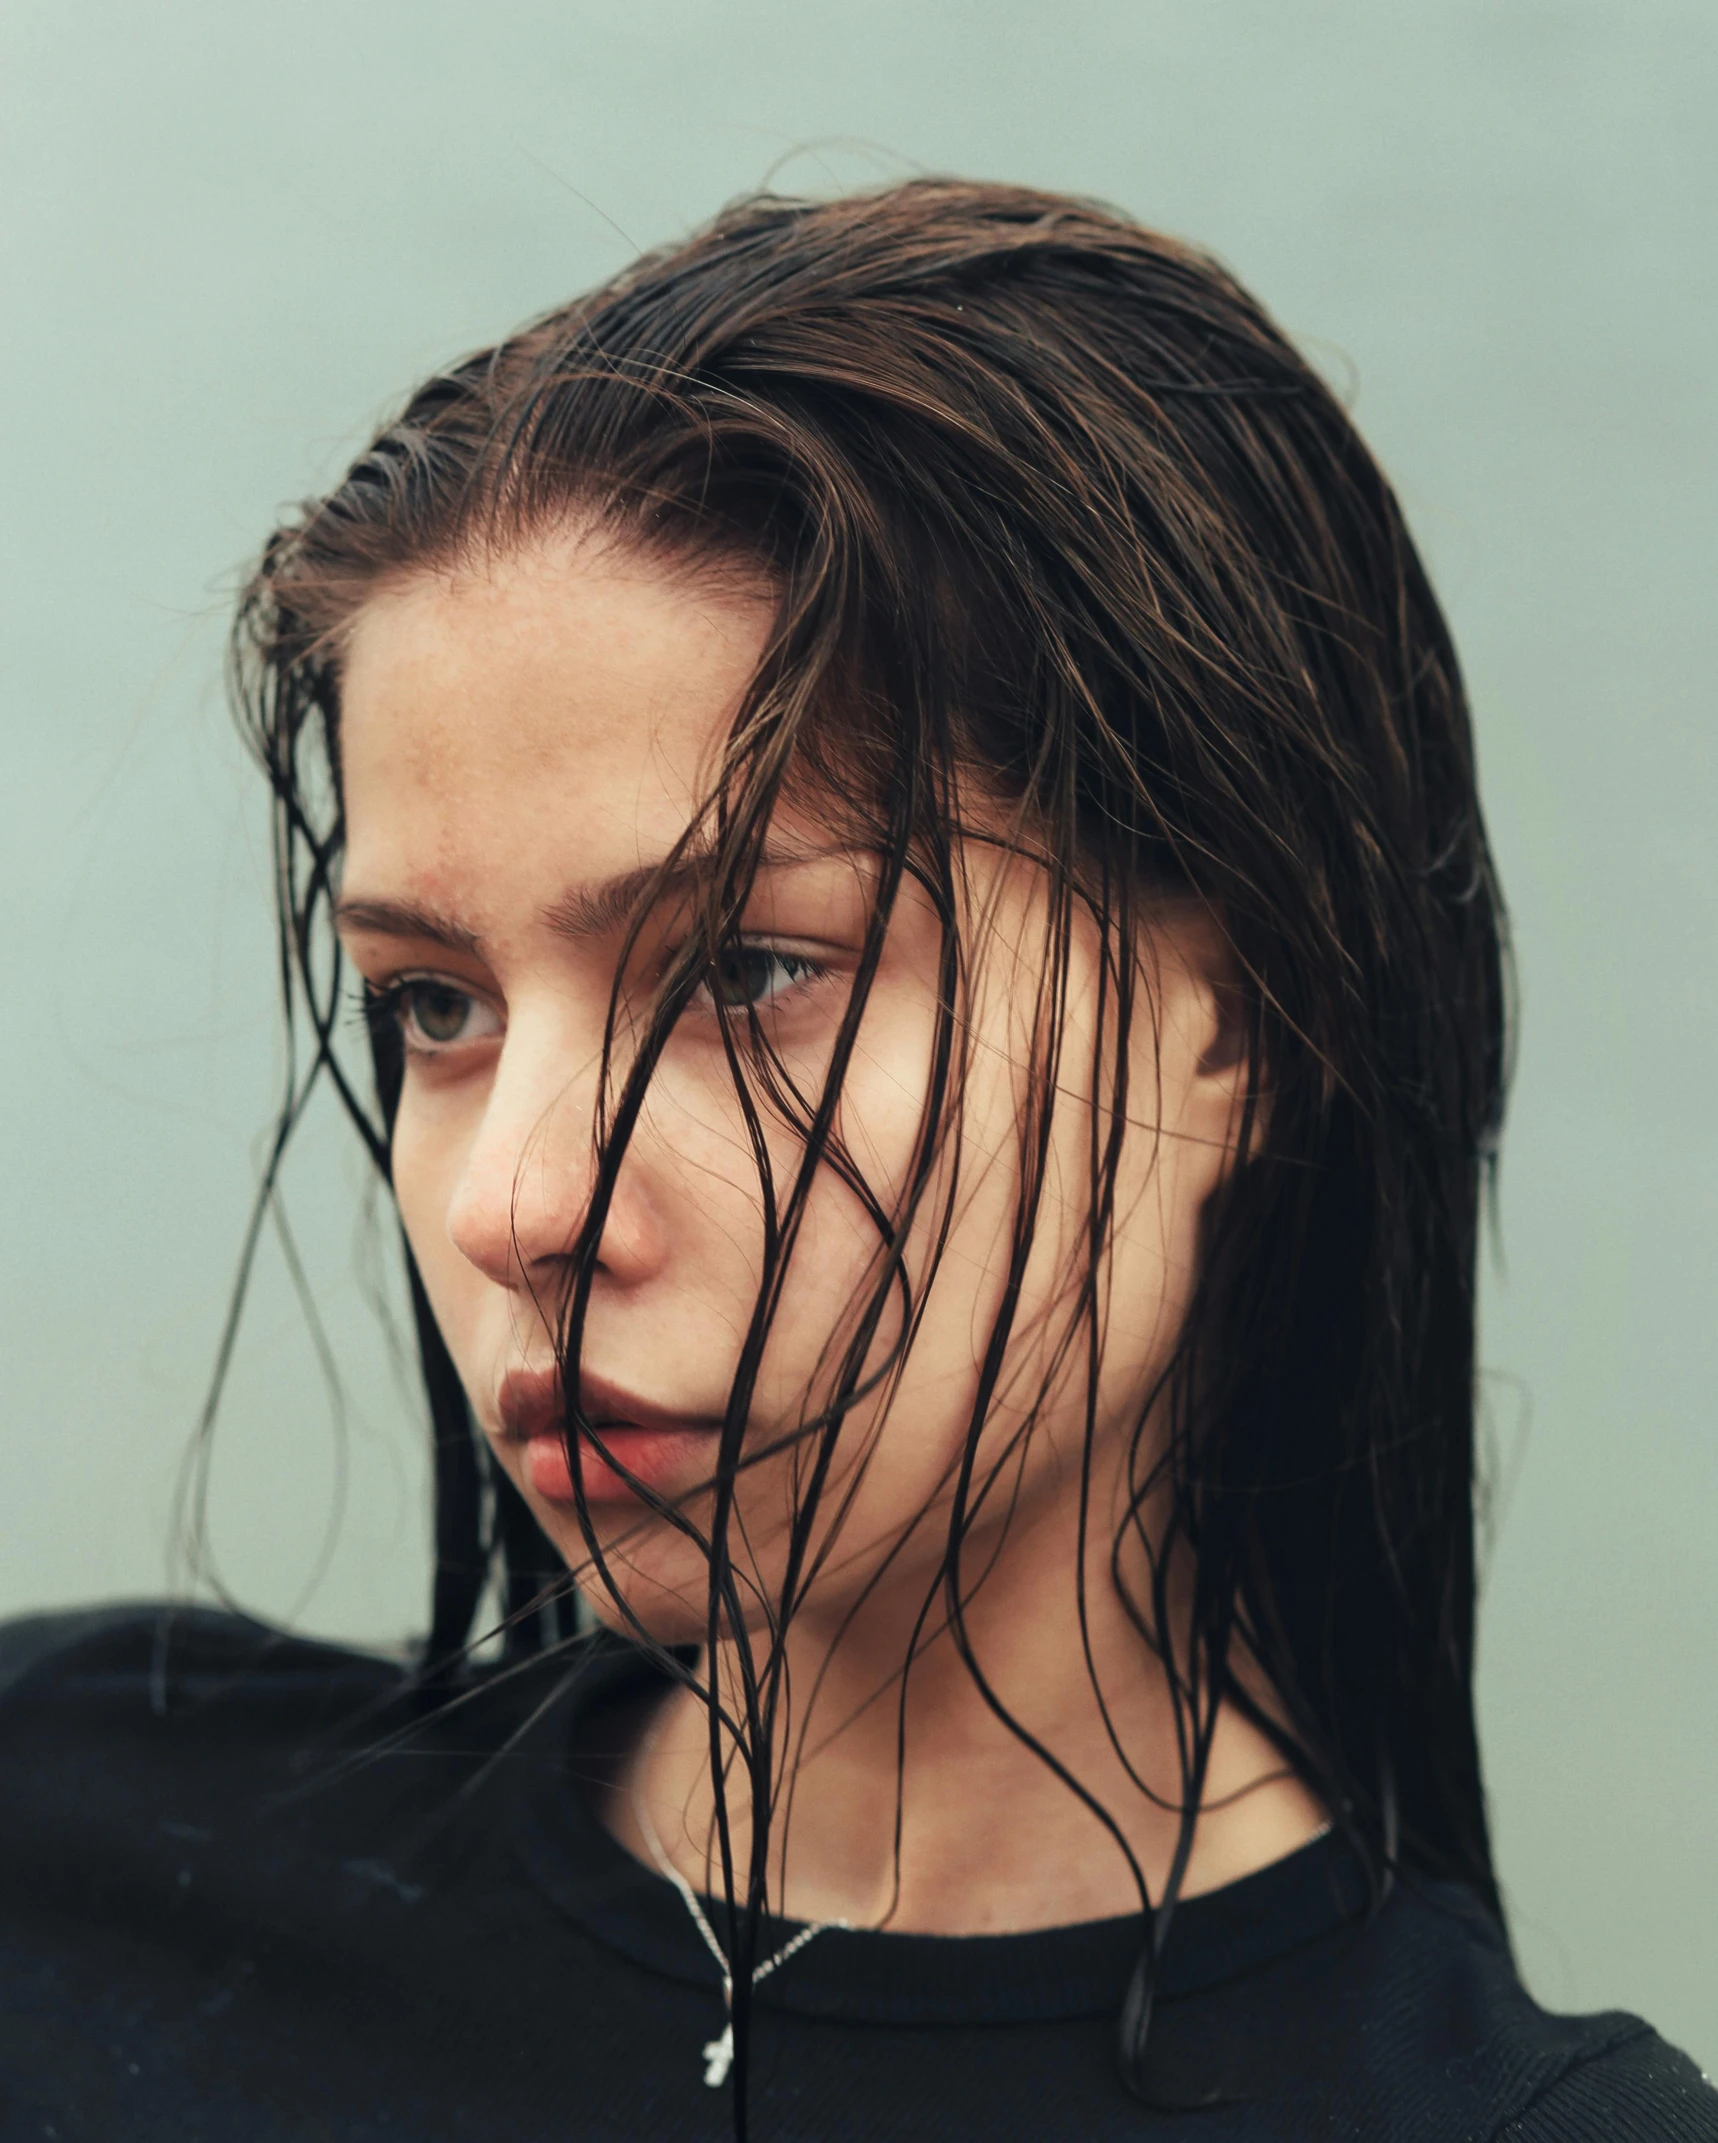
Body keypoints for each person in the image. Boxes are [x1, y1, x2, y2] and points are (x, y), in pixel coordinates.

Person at [1, 179, 1710, 2143]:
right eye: (434, 1006)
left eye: (746, 972)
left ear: (1239, 1028)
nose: (516, 1207)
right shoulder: (62, 1849)